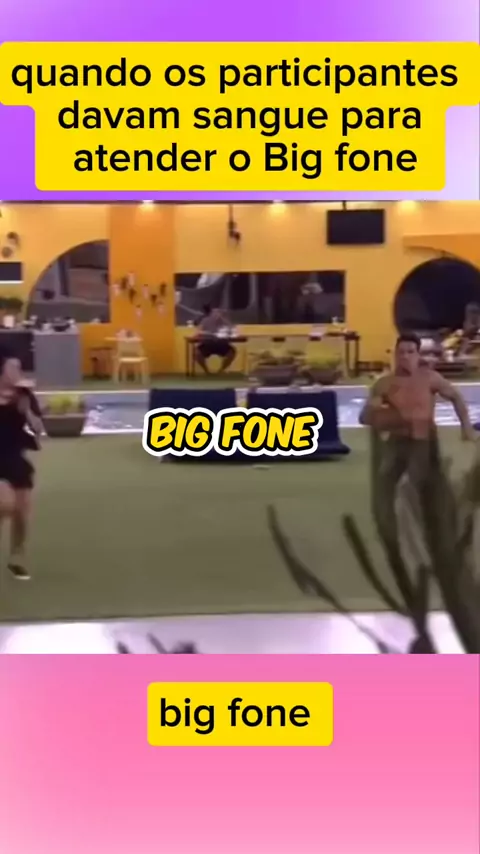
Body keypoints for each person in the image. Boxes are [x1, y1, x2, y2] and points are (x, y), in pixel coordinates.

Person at [359, 333, 476, 571]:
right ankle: (391, 536)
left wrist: (466, 428)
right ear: (395, 355)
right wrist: (376, 413)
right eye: (401, 352)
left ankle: (431, 538)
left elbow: (456, 397)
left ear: (418, 355)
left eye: (410, 352)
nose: (405, 357)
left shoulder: (430, 378)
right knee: (384, 484)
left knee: (416, 487)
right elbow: (365, 417)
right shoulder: (384, 384)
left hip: (424, 442)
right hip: (397, 441)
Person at [0, 351, 43, 580]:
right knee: (5, 504)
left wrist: (25, 409)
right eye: (12, 368)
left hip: (14, 456)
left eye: (19, 368)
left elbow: (38, 429)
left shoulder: (24, 395)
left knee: (21, 511)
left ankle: (16, 556)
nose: (17, 372)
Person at [194, 305, 236, 374]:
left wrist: (227, 330)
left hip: (222, 344)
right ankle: (206, 371)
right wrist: (204, 334)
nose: (216, 314)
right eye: (214, 313)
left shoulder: (224, 321)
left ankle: (221, 371)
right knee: (197, 353)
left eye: (218, 312)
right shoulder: (205, 320)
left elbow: (232, 329)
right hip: (207, 344)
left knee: (232, 352)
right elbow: (198, 332)